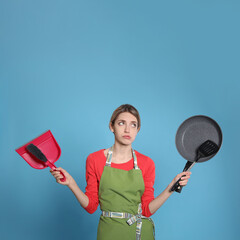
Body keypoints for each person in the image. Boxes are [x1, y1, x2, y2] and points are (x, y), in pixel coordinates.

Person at [50, 104, 191, 240]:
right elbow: (91, 206)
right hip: (109, 232)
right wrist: (71, 184)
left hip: (140, 233)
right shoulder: (94, 159)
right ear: (112, 126)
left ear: (138, 130)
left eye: (133, 125)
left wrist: (170, 188)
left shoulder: (147, 163)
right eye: (121, 123)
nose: (127, 130)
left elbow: (147, 210)